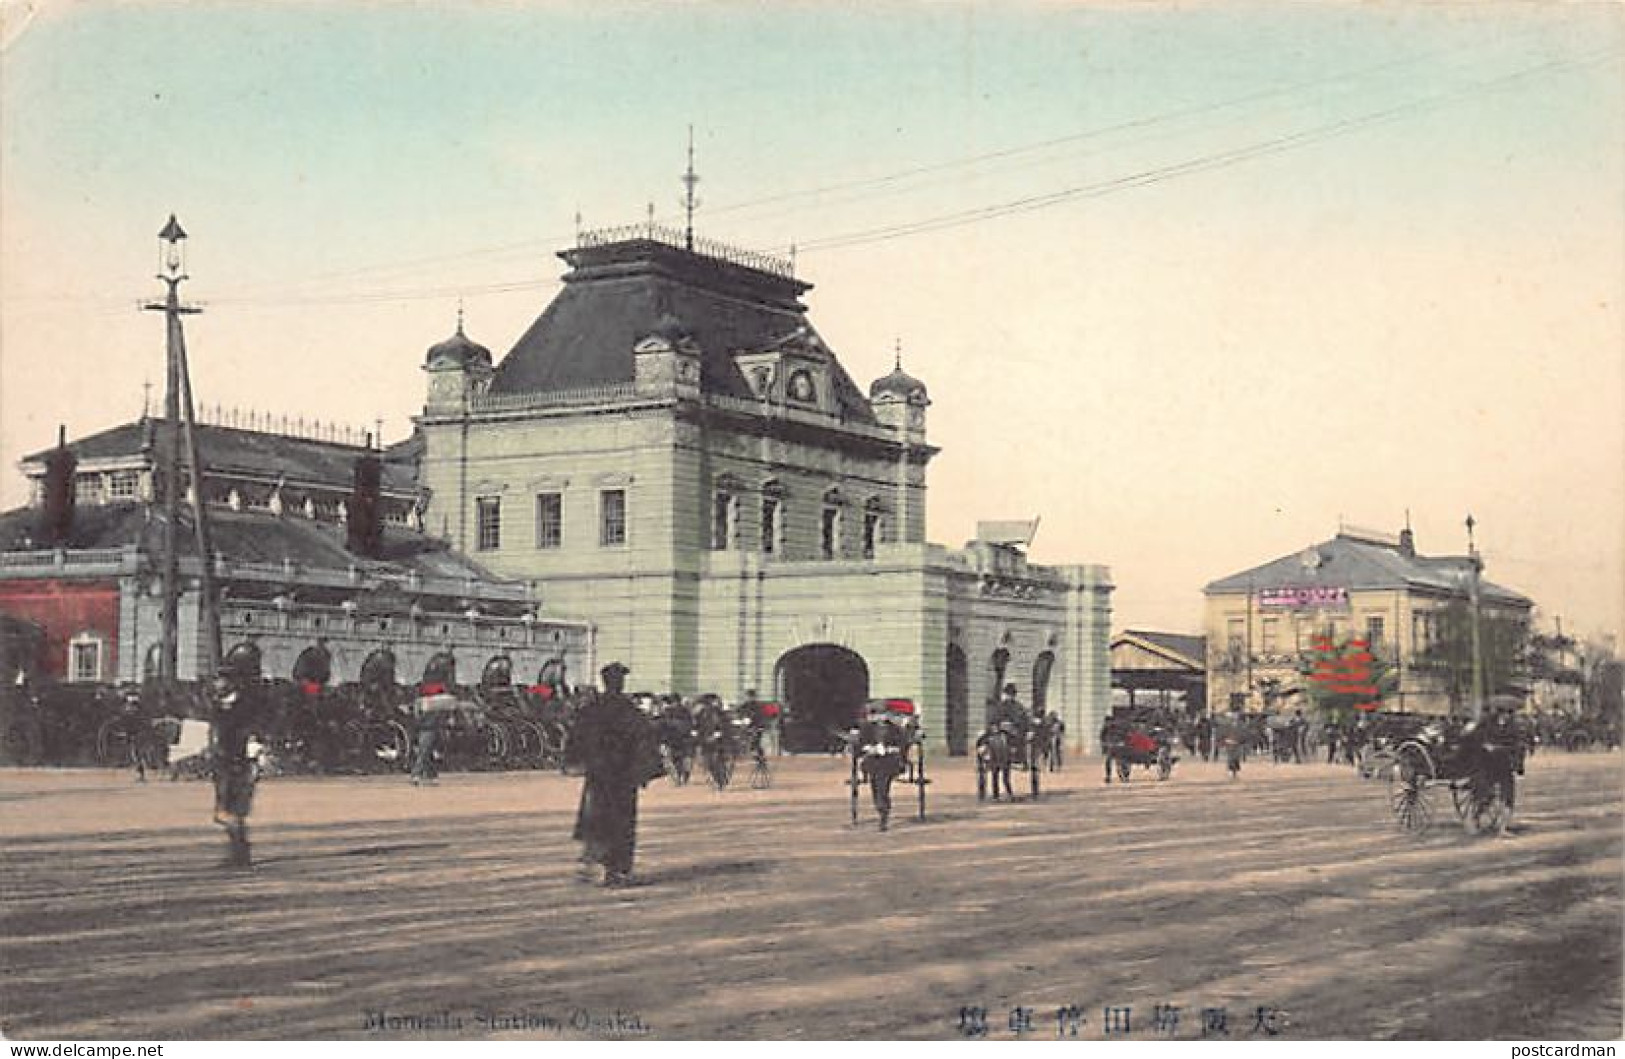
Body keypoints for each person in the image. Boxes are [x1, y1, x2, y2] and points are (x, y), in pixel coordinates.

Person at [570, 662, 661, 887]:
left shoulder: (592, 709)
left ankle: (594, 864)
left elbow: (576, 737)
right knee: (622, 821)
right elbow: (645, 740)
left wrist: (577, 761)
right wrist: (645, 771)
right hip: (623, 775)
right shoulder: (630, 711)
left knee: (596, 817)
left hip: (599, 774)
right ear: (620, 683)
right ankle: (617, 869)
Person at [211, 643, 263, 869]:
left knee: (231, 809)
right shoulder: (225, 703)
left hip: (239, 760)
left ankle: (240, 852)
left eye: (223, 678)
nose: (218, 682)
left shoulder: (245, 703)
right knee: (227, 809)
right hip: (227, 759)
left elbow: (248, 731)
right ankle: (239, 850)